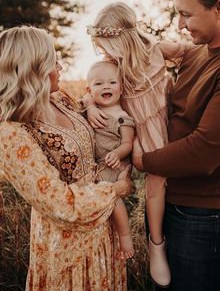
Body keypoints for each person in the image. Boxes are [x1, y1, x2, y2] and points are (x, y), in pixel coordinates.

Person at [0, 26, 133, 291]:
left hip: (104, 230)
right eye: (52, 60)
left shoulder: (59, 99)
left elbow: (89, 99)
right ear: (33, 68)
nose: (60, 65)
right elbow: (61, 204)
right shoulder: (11, 133)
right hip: (67, 246)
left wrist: (93, 105)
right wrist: (117, 189)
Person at [132, 0, 220, 290]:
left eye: (186, 15)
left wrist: (143, 161)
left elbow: (204, 152)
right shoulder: (198, 53)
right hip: (169, 199)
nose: (179, 25)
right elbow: (163, 49)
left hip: (201, 214)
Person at [86, 1, 189, 287]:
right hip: (136, 135)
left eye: (107, 45)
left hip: (168, 125)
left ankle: (163, 238)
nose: (105, 53)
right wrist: (89, 105)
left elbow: (191, 52)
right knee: (150, 183)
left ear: (123, 40)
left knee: (168, 180)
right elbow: (92, 84)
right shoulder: (113, 67)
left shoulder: (156, 50)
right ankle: (156, 244)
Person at [85, 60, 135, 259]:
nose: (106, 86)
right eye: (98, 84)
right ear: (89, 90)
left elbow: (128, 143)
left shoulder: (122, 117)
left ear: (121, 88)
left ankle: (125, 238)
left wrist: (118, 154)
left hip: (112, 164)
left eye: (112, 82)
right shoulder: (91, 109)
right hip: (94, 165)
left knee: (112, 198)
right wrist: (89, 105)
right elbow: (84, 99)